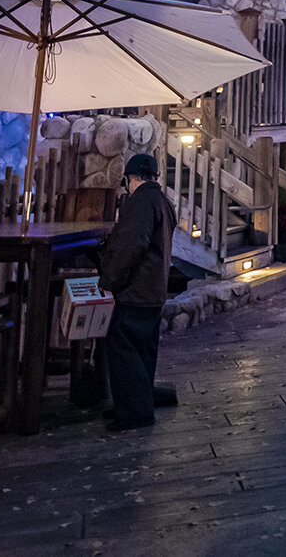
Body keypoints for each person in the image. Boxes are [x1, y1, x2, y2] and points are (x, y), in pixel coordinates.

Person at [97, 152, 177, 432]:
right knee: (143, 349)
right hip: (155, 289)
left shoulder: (141, 202)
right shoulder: (163, 202)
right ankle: (140, 400)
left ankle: (134, 411)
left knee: (123, 347)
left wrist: (110, 280)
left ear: (131, 179)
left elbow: (131, 246)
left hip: (136, 289)